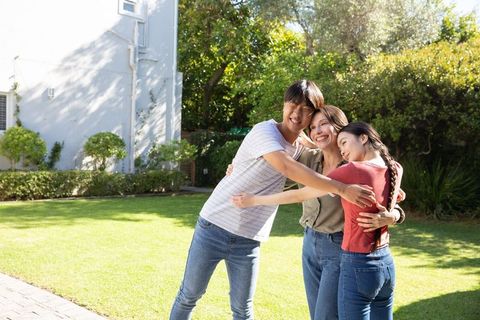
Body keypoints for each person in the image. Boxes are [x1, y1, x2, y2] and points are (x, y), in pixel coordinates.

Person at [169, 80, 376, 320]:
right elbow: (286, 167)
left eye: (306, 110)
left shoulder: (303, 149)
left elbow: (351, 157)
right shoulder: (265, 133)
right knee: (189, 295)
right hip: (214, 226)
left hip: (250, 238)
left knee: (243, 308)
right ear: (284, 105)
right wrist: (341, 188)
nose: (297, 113)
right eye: (292, 104)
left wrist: (392, 211)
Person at [232, 121, 403, 320]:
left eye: (345, 143)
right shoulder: (395, 168)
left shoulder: (352, 171)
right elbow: (395, 198)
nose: (343, 151)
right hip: (385, 264)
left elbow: (300, 195)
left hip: (358, 262)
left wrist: (254, 200)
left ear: (363, 138)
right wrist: (394, 216)